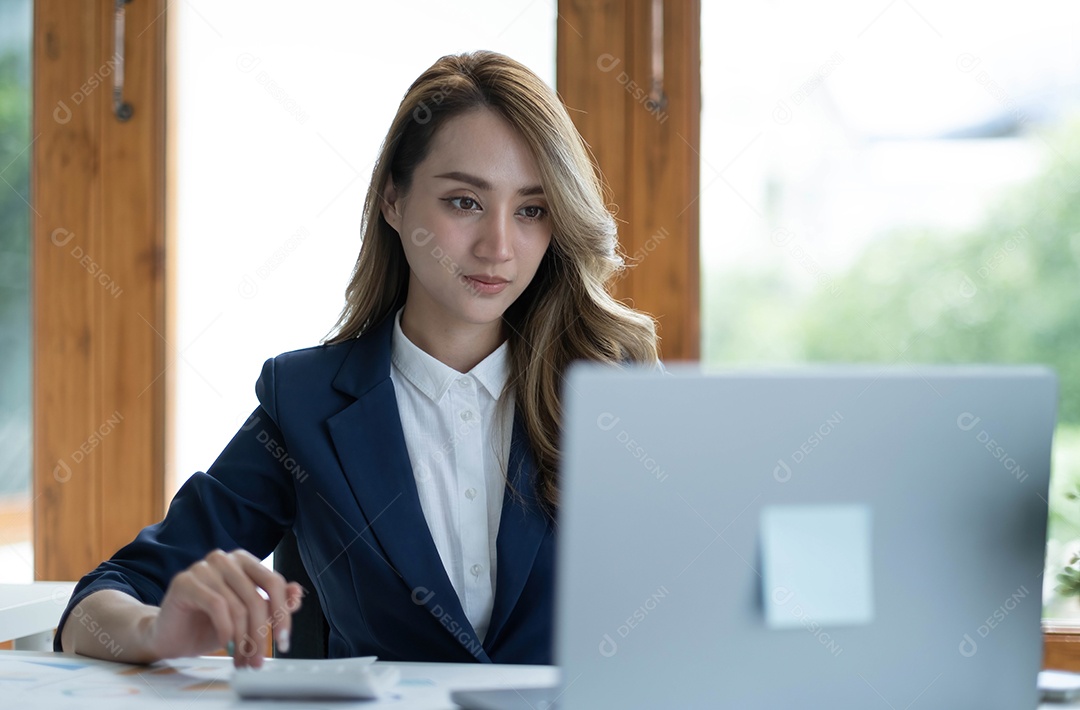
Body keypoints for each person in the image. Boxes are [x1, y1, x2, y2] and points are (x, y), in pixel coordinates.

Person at [55, 50, 659, 668]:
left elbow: (697, 593)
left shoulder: (612, 389)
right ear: (393, 202)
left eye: (531, 210)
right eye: (464, 202)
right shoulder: (306, 402)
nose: (499, 247)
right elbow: (97, 605)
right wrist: (160, 631)